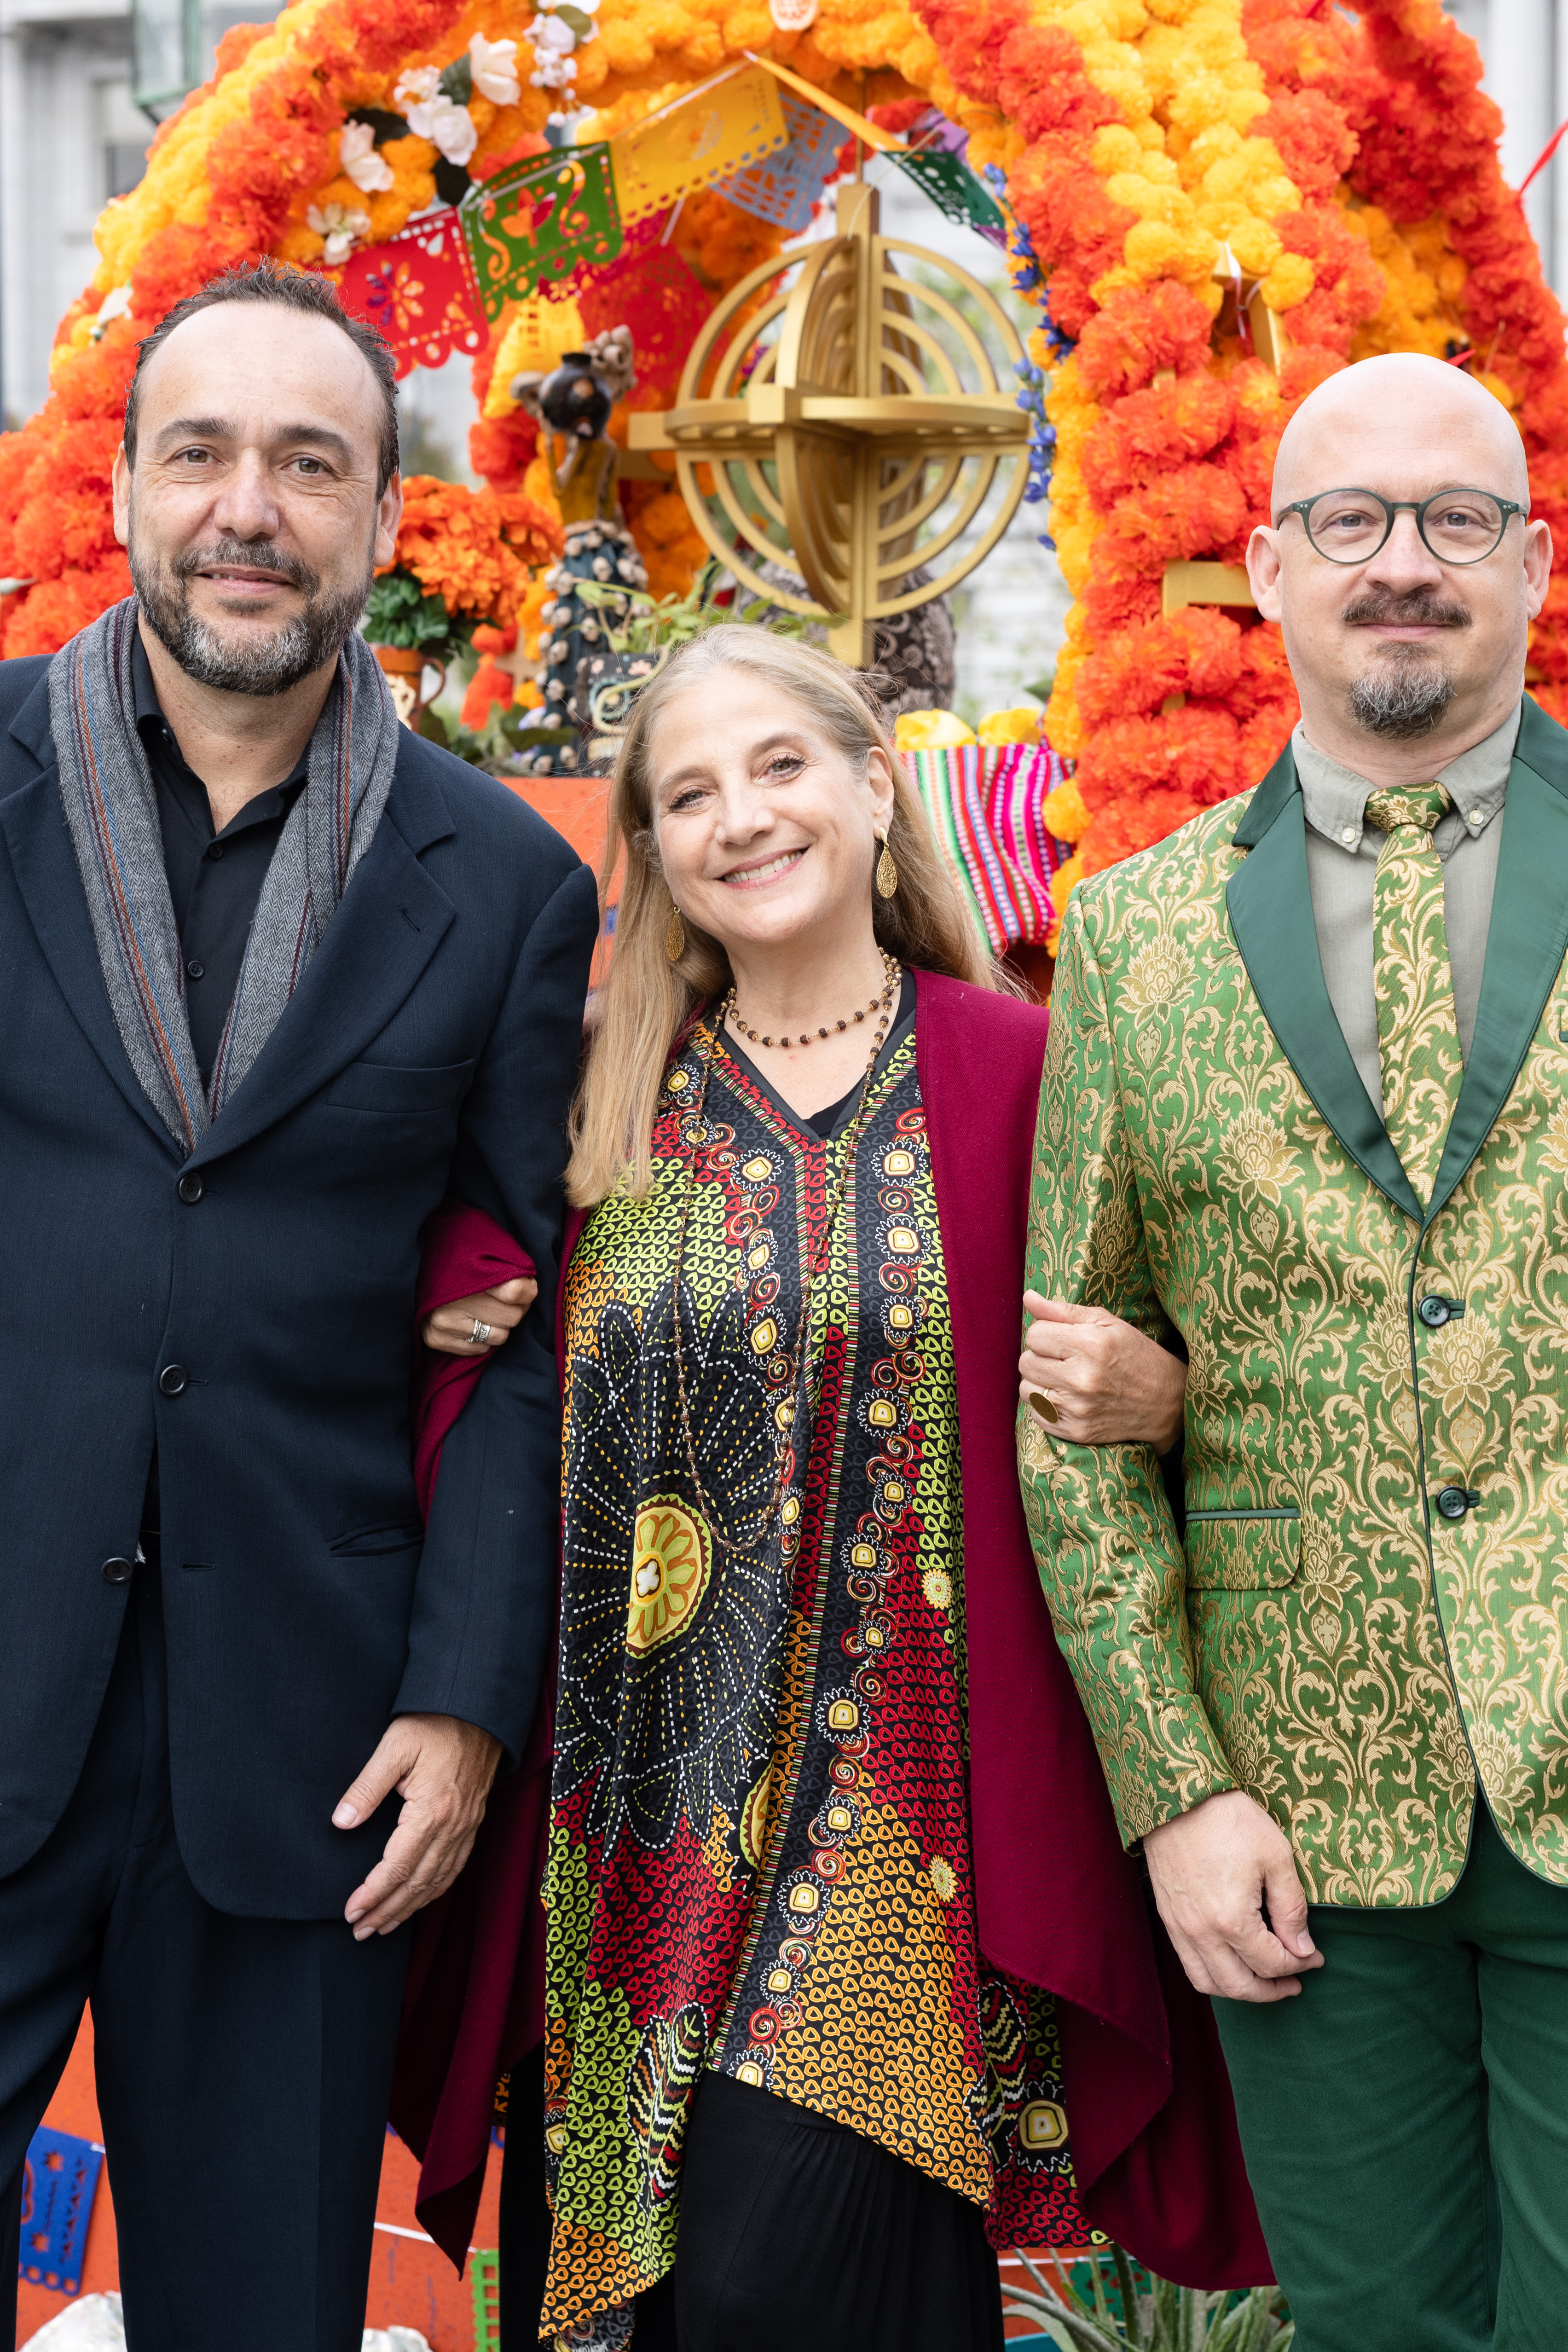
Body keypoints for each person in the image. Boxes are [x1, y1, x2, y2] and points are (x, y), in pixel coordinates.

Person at [0, 261, 599, 2352]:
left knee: (255, 2308)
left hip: (306, 1730)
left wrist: (464, 1690)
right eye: (202, 453)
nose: (250, 504)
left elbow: (509, 1327)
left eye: (307, 462)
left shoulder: (496, 878)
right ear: (136, 488)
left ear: (377, 517)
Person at [1021, 353, 1568, 2350]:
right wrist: (1174, 1786)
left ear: (1526, 564)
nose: (1400, 564)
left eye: (1453, 523)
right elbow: (1075, 1399)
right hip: (1300, 1804)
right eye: (1351, 521)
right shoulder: (1144, 934)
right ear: (1269, 567)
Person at [509, 624, 1260, 2352]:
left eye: (779, 767)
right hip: (635, 1841)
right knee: (659, 2310)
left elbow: (1243, 1366)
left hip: (903, 1829)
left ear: (870, 784)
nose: (742, 819)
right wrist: (465, 1274)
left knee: (788, 2284)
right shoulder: (596, 1099)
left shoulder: (1020, 1069)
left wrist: (1169, 1395)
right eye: (687, 795)